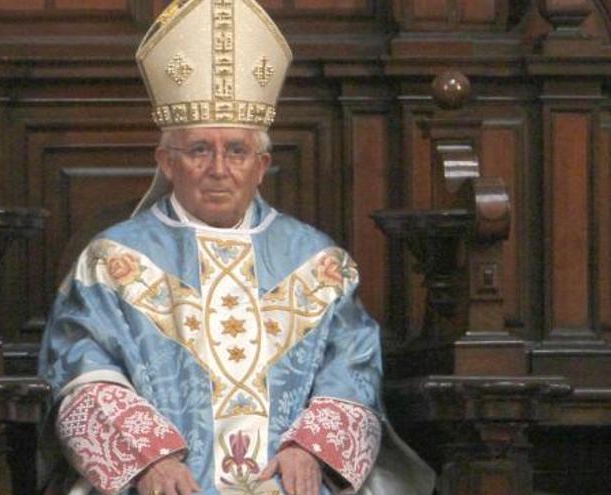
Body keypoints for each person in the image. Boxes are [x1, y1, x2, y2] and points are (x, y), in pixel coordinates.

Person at [39, 1, 435, 494]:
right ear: (167, 161)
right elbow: (81, 368)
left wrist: (309, 448)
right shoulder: (112, 262)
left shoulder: (318, 263)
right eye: (200, 149)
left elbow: (352, 367)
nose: (219, 168)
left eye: (237, 150)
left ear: (262, 164)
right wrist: (147, 461)